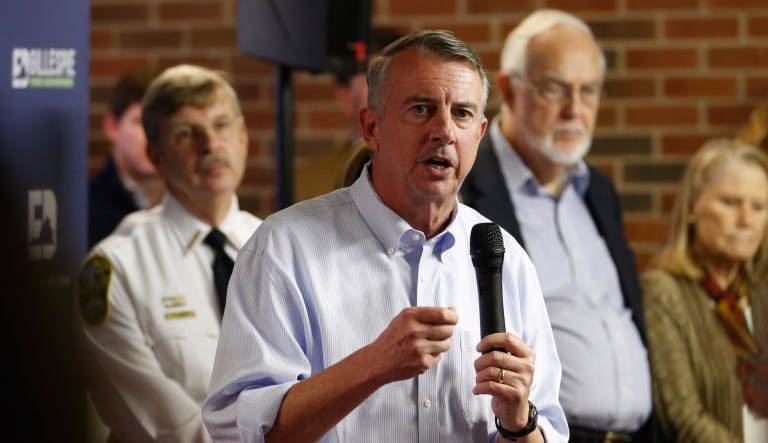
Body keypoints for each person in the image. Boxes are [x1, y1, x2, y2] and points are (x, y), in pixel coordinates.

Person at [203, 30, 568, 443]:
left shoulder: (508, 260)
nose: (444, 131)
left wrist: (518, 420)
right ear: (371, 127)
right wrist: (373, 365)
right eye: (421, 109)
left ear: (479, 135)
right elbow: (240, 433)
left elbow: (546, 433)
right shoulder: (283, 249)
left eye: (462, 113)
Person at [460, 9, 658, 442]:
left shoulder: (598, 191)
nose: (575, 109)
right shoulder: (463, 186)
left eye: (588, 91)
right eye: (556, 89)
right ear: (510, 90)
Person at [77, 64, 262, 443]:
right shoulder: (116, 267)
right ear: (157, 156)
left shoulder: (277, 244)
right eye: (186, 134)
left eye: (222, 125)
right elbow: (163, 426)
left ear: (243, 137)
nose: (210, 144)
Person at [641, 138, 768, 443]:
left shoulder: (762, 292)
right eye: (731, 202)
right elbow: (683, 416)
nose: (746, 221)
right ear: (693, 207)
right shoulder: (662, 292)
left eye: (759, 206)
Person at [293, 27, 403, 201]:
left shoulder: (444, 174)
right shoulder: (306, 186)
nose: (394, 95)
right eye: (376, 82)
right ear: (344, 95)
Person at [88, 66, 165, 248]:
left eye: (165, 123)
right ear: (112, 127)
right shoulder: (83, 212)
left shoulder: (196, 206)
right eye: (141, 122)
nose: (154, 135)